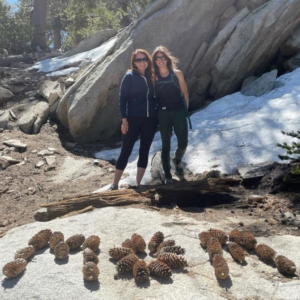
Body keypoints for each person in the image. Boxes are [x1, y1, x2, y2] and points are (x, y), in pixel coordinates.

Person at [108, 49, 158, 190]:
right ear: (134, 62)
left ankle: (138, 184)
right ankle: (115, 184)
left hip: (151, 119)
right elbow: (122, 99)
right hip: (132, 119)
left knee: (144, 150)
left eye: (144, 59)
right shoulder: (129, 77)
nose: (141, 62)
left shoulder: (152, 77)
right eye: (138, 60)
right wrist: (124, 120)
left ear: (148, 61)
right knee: (126, 150)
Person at [152, 46, 189, 184]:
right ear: (155, 61)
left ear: (167, 59)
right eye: (157, 58)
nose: (160, 60)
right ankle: (168, 175)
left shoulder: (177, 73)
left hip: (179, 111)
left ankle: (177, 161)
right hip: (163, 113)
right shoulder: (153, 76)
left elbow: (184, 92)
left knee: (183, 143)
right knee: (165, 145)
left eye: (162, 58)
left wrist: (186, 110)